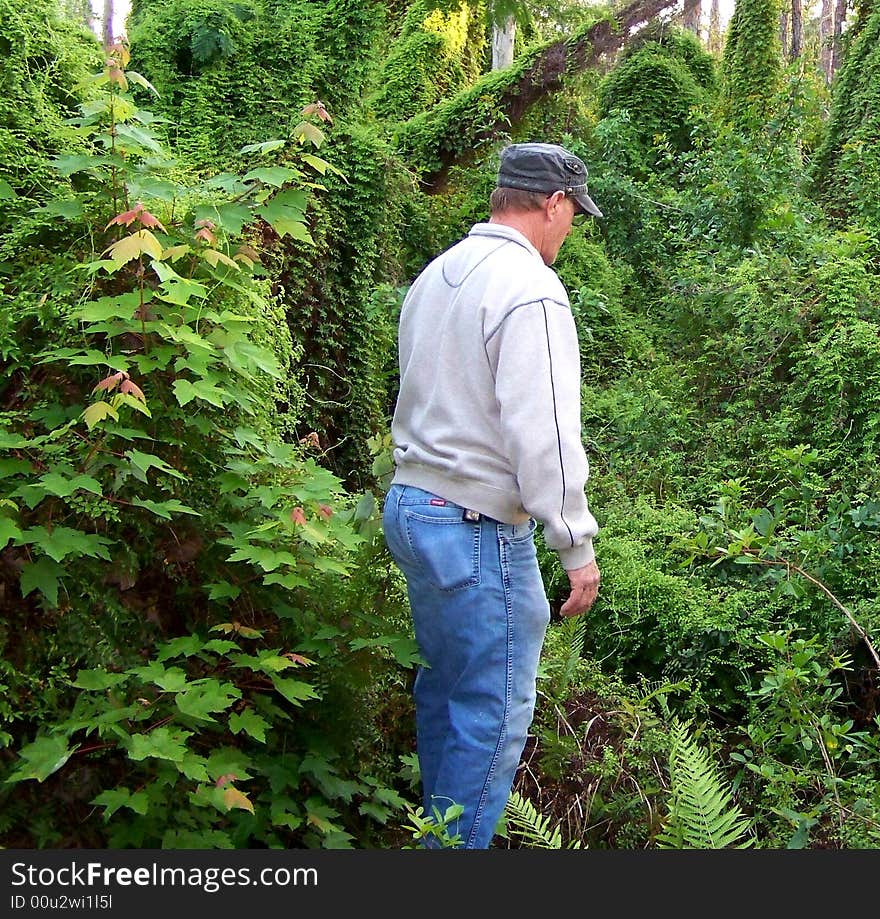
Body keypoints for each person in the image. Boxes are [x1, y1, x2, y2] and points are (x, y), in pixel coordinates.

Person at [382, 142, 602, 849]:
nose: (569, 230)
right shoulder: (530, 287)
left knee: (447, 690)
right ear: (553, 203)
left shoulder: (439, 273)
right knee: (494, 708)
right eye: (573, 214)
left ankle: (436, 836)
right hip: (473, 523)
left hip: (414, 505)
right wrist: (576, 543)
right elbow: (546, 434)